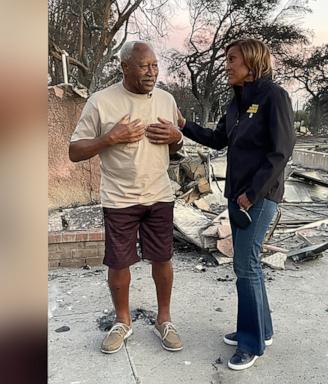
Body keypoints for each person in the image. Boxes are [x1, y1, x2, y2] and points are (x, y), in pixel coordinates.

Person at [177, 38, 296, 370]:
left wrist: (252, 192)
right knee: (249, 266)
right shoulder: (236, 104)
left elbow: (280, 153)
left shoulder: (274, 97)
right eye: (227, 58)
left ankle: (250, 343)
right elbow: (218, 139)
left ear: (253, 63)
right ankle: (263, 330)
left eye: (232, 59)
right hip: (237, 197)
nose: (226, 64)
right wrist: (185, 125)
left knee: (245, 267)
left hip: (258, 199)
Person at [69, 41, 184, 354]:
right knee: (119, 263)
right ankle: (123, 321)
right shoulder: (101, 101)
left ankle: (164, 319)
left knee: (162, 258)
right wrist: (109, 138)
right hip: (119, 198)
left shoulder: (166, 99)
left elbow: (174, 148)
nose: (152, 72)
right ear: (125, 67)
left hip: (159, 193)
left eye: (155, 66)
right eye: (144, 66)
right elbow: (74, 151)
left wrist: (176, 138)